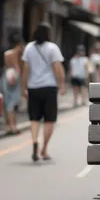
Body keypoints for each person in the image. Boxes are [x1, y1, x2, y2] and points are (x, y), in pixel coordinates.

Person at [21, 22, 66, 162]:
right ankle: (44, 149)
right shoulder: (52, 48)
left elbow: (25, 70)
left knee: (34, 118)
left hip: (33, 88)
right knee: (49, 120)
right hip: (49, 88)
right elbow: (57, 68)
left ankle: (35, 141)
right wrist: (61, 84)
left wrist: (24, 87)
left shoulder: (29, 48)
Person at [0, 30, 25, 134]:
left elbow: (7, 67)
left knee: (7, 103)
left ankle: (8, 125)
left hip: (6, 77)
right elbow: (18, 67)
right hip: (14, 79)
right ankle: (13, 126)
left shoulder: (6, 53)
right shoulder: (19, 53)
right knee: (12, 104)